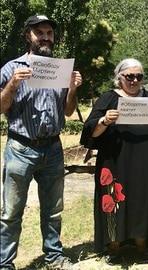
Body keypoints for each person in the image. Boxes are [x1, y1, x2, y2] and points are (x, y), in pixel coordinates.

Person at [0, 15, 82, 270]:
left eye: (49, 33)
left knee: (53, 210)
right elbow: (1, 107)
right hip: (21, 147)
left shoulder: (60, 70)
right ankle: (5, 263)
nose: (46, 37)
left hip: (53, 148)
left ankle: (54, 257)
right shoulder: (11, 68)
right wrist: (13, 84)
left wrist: (72, 88)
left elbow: (68, 112)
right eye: (40, 33)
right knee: (11, 213)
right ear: (28, 36)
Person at [80, 58, 148, 264]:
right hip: (116, 162)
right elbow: (91, 132)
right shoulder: (108, 98)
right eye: (129, 76)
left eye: (138, 76)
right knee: (114, 200)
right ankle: (114, 246)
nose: (134, 80)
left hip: (147, 164)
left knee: (143, 200)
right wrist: (104, 121)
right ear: (119, 77)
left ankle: (142, 244)